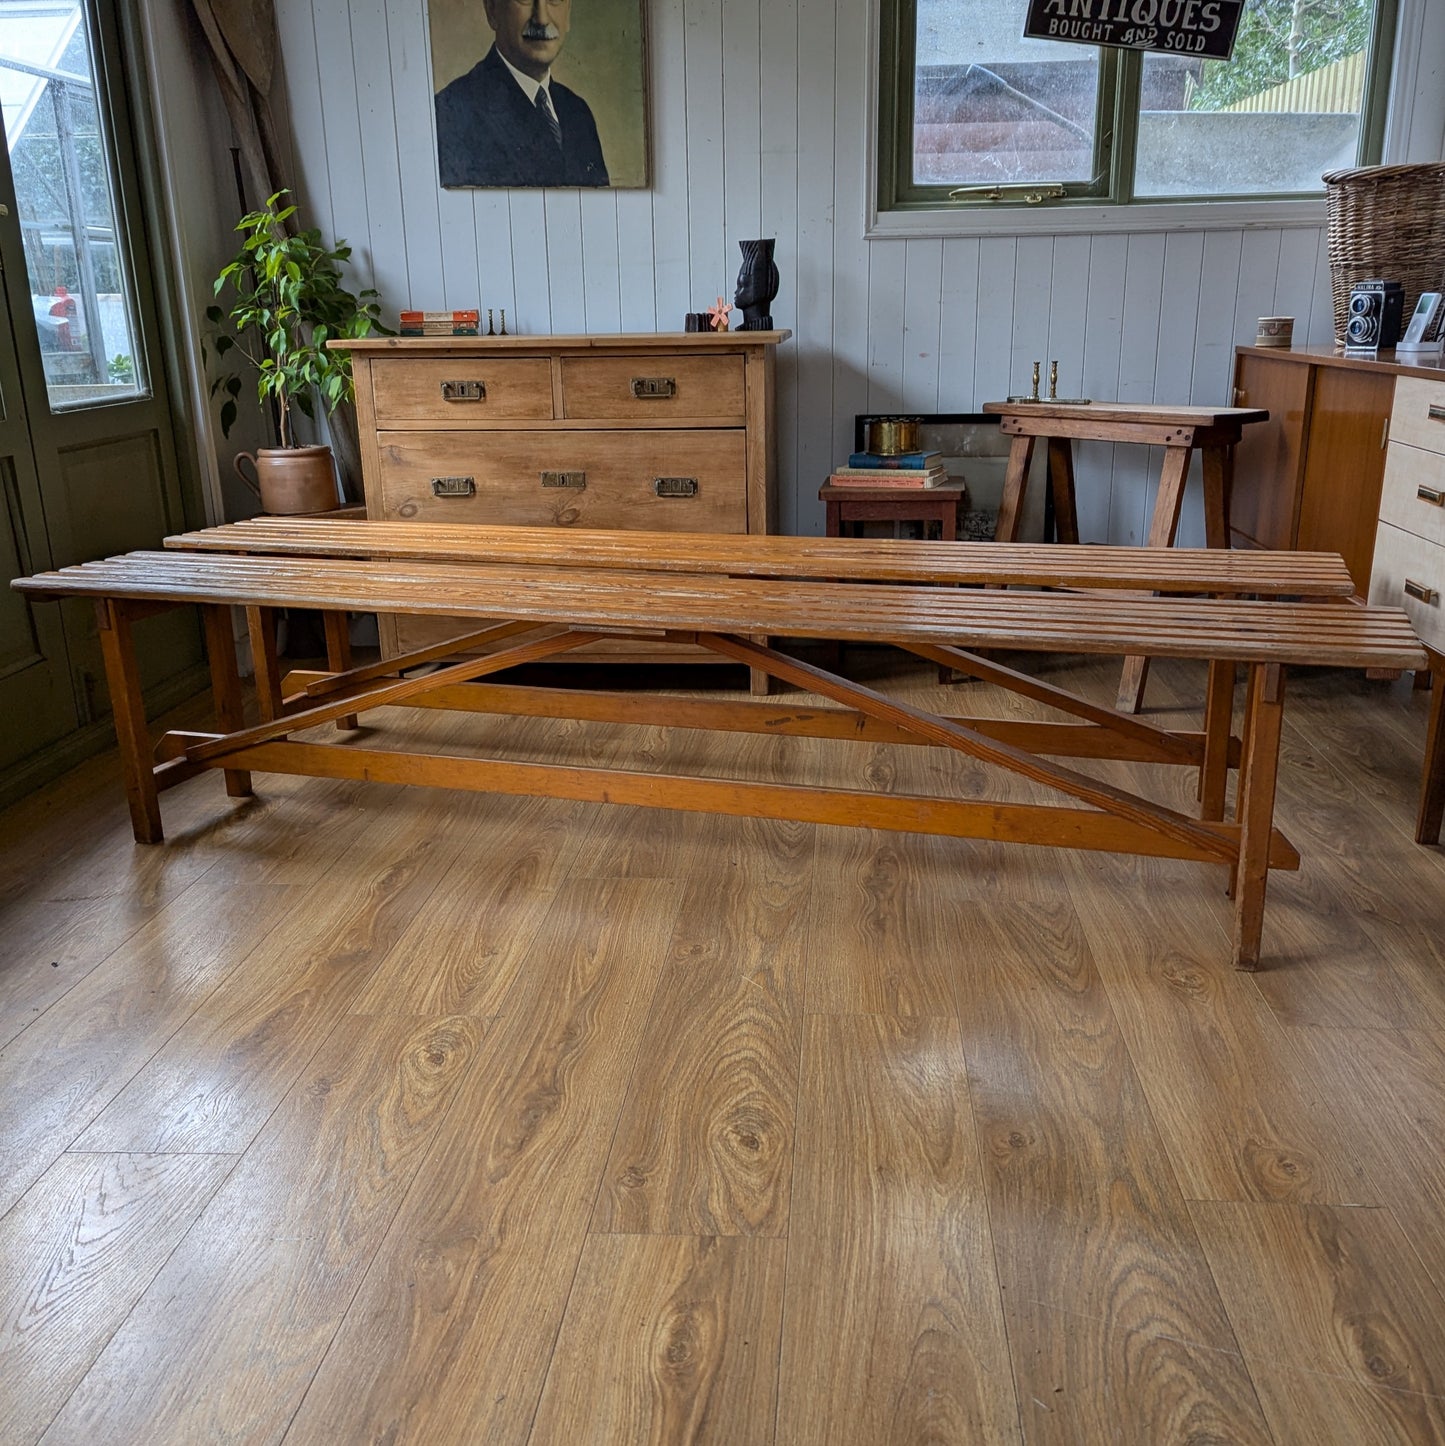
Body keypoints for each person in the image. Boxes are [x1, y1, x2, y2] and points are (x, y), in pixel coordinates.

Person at [436, 0, 609, 188]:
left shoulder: (578, 113)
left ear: (568, 13)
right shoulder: (452, 113)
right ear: (492, 10)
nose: (542, 19)